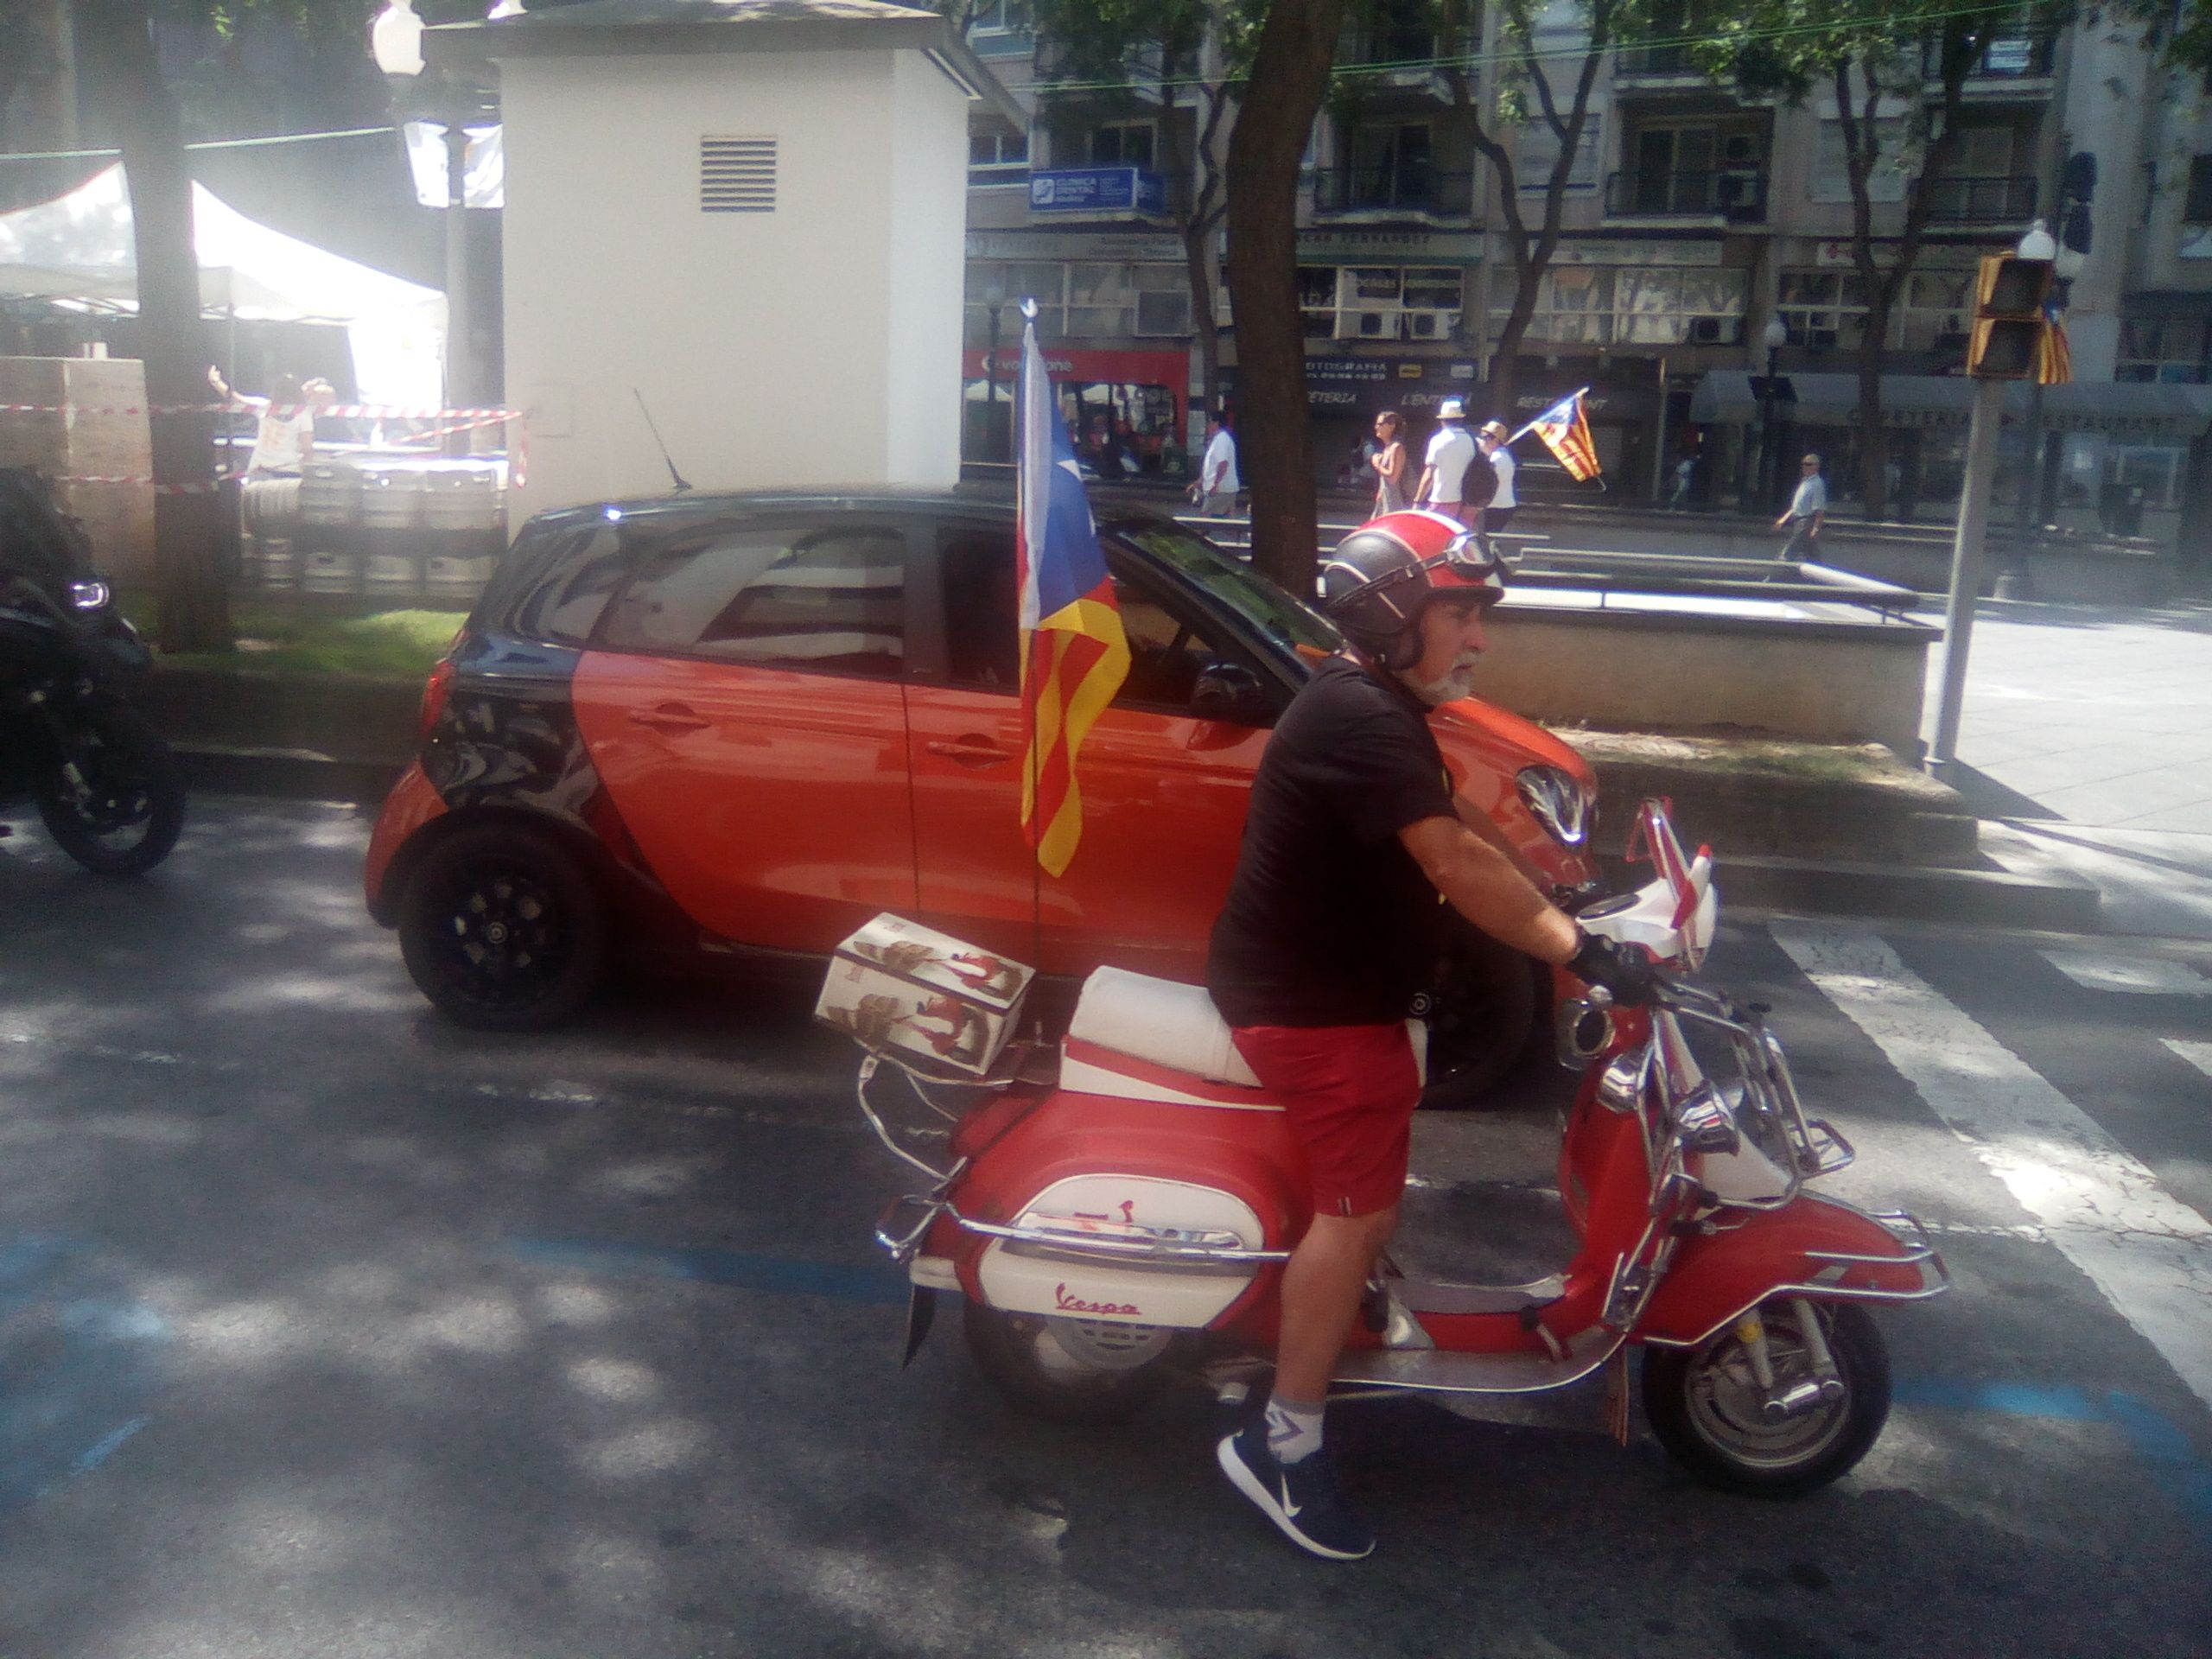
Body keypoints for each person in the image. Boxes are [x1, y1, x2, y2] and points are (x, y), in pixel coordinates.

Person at [1205, 511, 1662, 1561]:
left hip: (1341, 993)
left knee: (1365, 1201)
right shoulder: (1360, 715)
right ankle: (1283, 1441)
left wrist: (1573, 901)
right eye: (1458, 614)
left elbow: (1464, 825)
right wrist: (1578, 953)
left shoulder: (1375, 704)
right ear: (1393, 617)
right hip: (1312, 1010)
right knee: (1356, 1217)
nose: (1477, 638)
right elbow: (1450, 864)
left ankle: (1331, 1330)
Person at [207, 367, 332, 477]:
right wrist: (307, 472)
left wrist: (216, 382)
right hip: (290, 471)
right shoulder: (304, 414)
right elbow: (307, 448)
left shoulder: (264, 406)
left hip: (260, 469)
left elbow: (235, 399)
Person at [1413, 398, 1481, 525]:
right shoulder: (1470, 440)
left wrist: (1417, 501)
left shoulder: (1438, 440)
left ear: (1442, 420)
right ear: (1460, 419)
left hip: (1441, 499)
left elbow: (1429, 476)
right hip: (1465, 501)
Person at [1774, 452, 1827, 568]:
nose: (1804, 467)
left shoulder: (1817, 484)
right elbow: (1796, 506)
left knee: (1789, 551)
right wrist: (1783, 519)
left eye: (1808, 464)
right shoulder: (1805, 483)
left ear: (1816, 466)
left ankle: (1772, 578)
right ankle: (1821, 580)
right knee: (1812, 555)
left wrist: (1816, 528)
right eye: (1803, 464)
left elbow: (1819, 509)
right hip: (1798, 520)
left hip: (1806, 522)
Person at [1475, 419, 1517, 559]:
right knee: (1488, 539)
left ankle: (1492, 563)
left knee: (1487, 540)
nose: (1483, 441)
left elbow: (1487, 480)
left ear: (1494, 440)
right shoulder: (1501, 456)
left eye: (1486, 438)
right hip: (1501, 505)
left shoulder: (1497, 459)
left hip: (1497, 507)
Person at [1196, 412, 1239, 517]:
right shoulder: (1218, 439)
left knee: (1204, 519)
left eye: (1210, 423)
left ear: (1217, 424)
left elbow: (1223, 464)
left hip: (1220, 490)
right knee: (1226, 524)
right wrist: (1201, 480)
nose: (1208, 426)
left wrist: (1215, 484)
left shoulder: (1221, 439)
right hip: (1223, 488)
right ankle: (1237, 532)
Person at [1367, 410, 1408, 517]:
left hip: (1395, 502)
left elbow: (1392, 477)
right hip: (1384, 501)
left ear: (1391, 426)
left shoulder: (1397, 448)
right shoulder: (1387, 448)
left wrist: (1377, 464)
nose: (1376, 427)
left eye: (1380, 424)